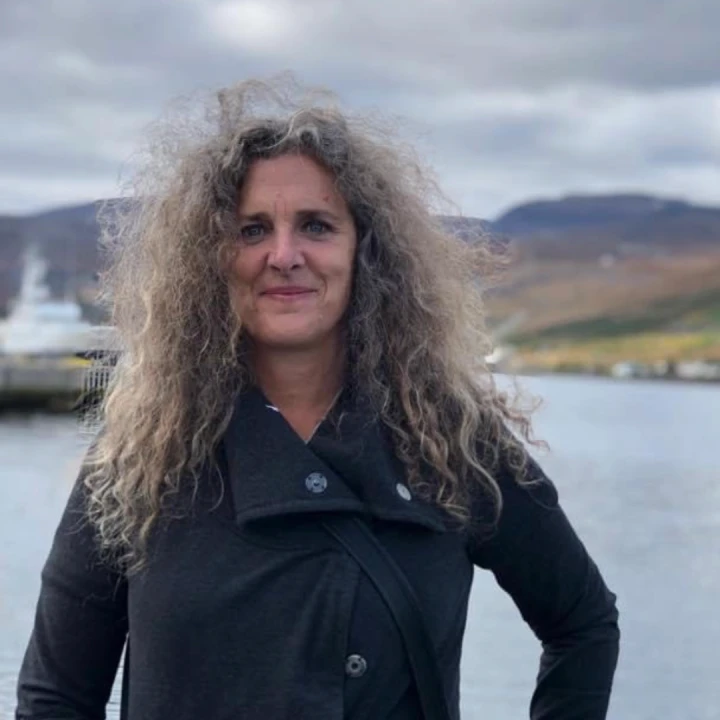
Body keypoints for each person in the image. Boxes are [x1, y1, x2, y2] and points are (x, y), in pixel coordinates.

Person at [16, 77, 619, 720]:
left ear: (367, 252)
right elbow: (57, 698)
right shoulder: (141, 457)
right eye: (252, 229)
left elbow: (582, 623)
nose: (284, 255)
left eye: (316, 226)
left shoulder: (452, 443)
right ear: (209, 259)